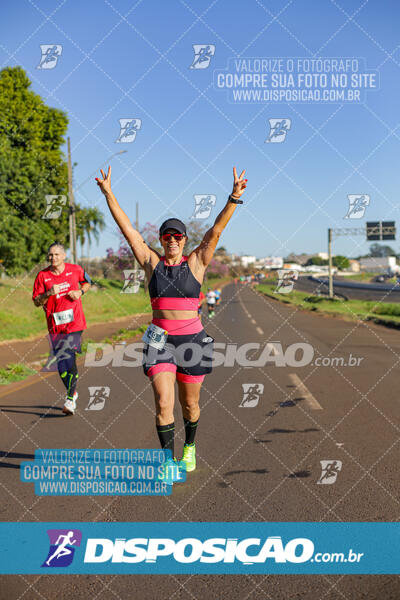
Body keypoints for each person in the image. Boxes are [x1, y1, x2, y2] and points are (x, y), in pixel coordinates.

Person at [96, 166, 247, 480]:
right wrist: (109, 193)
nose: (172, 240)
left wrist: (233, 198)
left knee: (189, 405)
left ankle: (189, 446)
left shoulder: (197, 261)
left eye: (178, 236)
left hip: (192, 343)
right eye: (167, 236)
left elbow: (215, 232)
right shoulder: (152, 262)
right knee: (164, 402)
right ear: (161, 240)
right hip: (159, 342)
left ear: (184, 239)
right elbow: (129, 232)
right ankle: (167, 461)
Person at [32, 242, 92, 415]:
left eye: (57, 254)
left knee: (69, 355)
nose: (53, 258)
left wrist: (80, 292)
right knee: (61, 366)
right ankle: (73, 391)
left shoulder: (75, 269)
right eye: (50, 255)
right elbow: (36, 302)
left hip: (75, 323)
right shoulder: (42, 276)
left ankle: (70, 400)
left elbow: (87, 282)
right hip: (55, 326)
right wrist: (47, 294)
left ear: (64, 255)